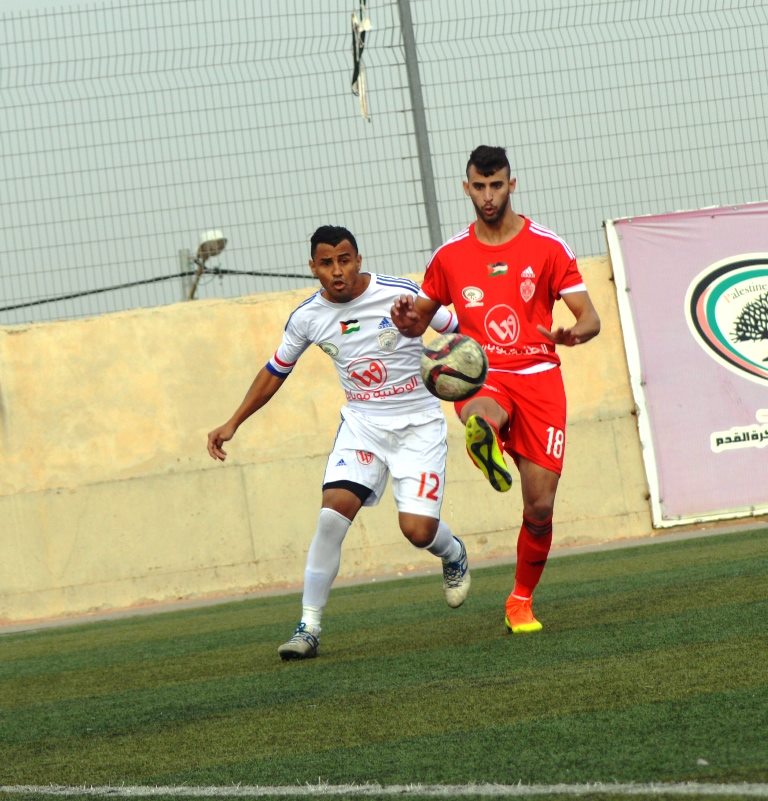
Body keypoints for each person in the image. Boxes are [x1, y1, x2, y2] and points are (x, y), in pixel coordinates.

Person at [207, 225, 470, 661]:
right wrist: (234, 421)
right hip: (363, 426)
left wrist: (469, 374)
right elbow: (275, 370)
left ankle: (453, 551)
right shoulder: (308, 317)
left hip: (418, 425)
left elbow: (459, 332)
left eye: (344, 259)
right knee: (331, 517)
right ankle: (308, 626)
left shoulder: (400, 294)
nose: (337, 271)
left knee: (417, 531)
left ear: (359, 259)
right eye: (326, 263)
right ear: (312, 268)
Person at [390, 145, 601, 635]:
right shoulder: (449, 256)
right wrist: (406, 322)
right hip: (481, 372)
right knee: (482, 411)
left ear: (512, 184)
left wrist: (573, 333)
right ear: (466, 188)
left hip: (541, 377)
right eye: (479, 187)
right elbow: (419, 318)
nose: (488, 196)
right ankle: (483, 436)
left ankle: (520, 600)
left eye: (496, 185)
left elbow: (589, 317)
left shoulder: (548, 246)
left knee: (540, 506)